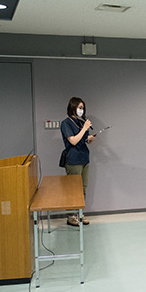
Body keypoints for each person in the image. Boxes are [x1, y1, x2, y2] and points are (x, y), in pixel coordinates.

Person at [61, 97, 96, 226]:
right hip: (73, 159)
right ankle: (71, 216)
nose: (81, 110)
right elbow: (73, 141)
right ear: (73, 107)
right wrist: (84, 128)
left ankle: (80, 213)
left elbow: (84, 139)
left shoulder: (81, 123)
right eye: (79, 108)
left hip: (84, 158)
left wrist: (90, 138)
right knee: (72, 189)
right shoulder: (66, 123)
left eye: (83, 108)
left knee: (83, 188)